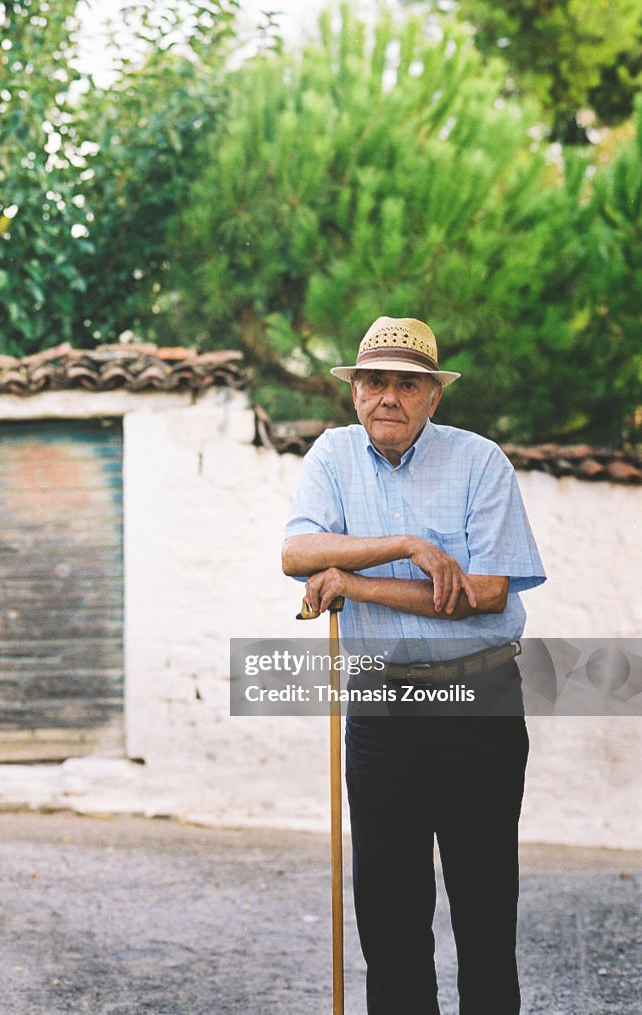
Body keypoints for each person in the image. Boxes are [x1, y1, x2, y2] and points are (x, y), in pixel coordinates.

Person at [281, 317, 546, 1015]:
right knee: (390, 921)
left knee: (484, 914)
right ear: (355, 392)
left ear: (434, 396)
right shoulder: (332, 458)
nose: (387, 397)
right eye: (374, 381)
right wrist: (407, 543)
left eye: (407, 383)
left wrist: (356, 580)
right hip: (381, 714)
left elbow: (484, 592)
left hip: (478, 706)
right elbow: (296, 554)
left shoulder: (480, 461)